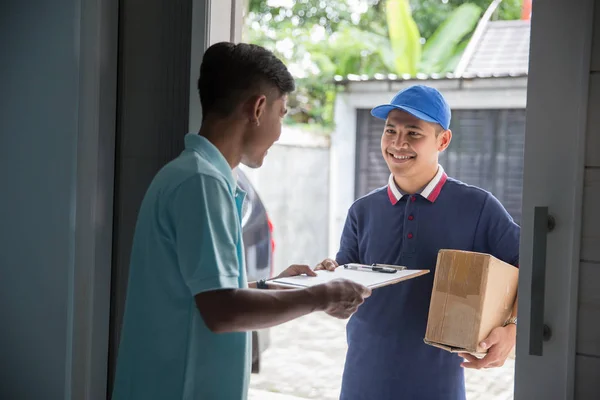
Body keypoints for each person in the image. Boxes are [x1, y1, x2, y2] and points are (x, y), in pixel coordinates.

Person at [111, 42, 371, 400]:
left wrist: (273, 285)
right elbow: (223, 311)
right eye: (281, 113)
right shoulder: (201, 182)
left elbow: (203, 294)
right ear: (258, 108)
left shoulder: (194, 175)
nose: (279, 131)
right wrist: (321, 296)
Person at [325, 85, 519, 400]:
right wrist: (327, 279)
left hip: (438, 385)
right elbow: (342, 300)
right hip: (363, 381)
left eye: (413, 133)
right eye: (391, 131)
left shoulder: (477, 206)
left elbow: (532, 264)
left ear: (442, 140)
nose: (398, 143)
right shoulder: (362, 211)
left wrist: (512, 329)